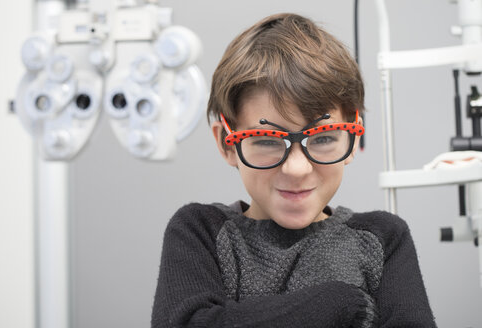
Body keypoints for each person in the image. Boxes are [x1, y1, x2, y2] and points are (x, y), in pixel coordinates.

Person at [151, 13, 436, 327]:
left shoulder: (384, 239)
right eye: (266, 140)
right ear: (227, 143)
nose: (297, 168)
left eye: (324, 138)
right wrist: (342, 304)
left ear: (354, 138)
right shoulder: (200, 232)